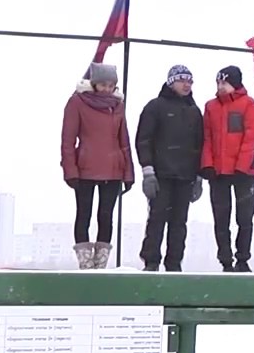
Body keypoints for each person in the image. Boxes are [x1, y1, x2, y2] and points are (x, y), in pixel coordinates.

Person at [61, 63, 134, 269]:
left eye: (111, 85)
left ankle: (100, 263)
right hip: (85, 169)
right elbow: (68, 140)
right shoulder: (77, 102)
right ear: (94, 84)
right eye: (103, 84)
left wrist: (128, 173)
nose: (107, 89)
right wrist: (70, 170)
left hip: (113, 170)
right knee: (84, 213)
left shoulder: (117, 105)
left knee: (106, 216)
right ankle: (85, 263)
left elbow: (124, 141)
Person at [136, 65, 204, 272]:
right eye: (182, 80)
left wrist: (199, 177)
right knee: (157, 219)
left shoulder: (194, 111)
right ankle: (151, 262)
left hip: (185, 176)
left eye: (190, 81)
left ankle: (174, 264)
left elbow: (201, 144)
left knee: (179, 223)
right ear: (171, 81)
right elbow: (143, 140)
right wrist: (148, 171)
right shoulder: (155, 107)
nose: (187, 85)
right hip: (161, 175)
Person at [200, 65, 254, 273]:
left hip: (243, 173)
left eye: (224, 83)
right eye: (218, 83)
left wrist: (241, 166)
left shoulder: (249, 105)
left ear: (234, 83)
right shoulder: (211, 107)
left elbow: (251, 137)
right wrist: (207, 164)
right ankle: (225, 259)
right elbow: (207, 138)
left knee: (244, 217)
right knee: (221, 217)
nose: (220, 87)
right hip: (218, 173)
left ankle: (243, 258)